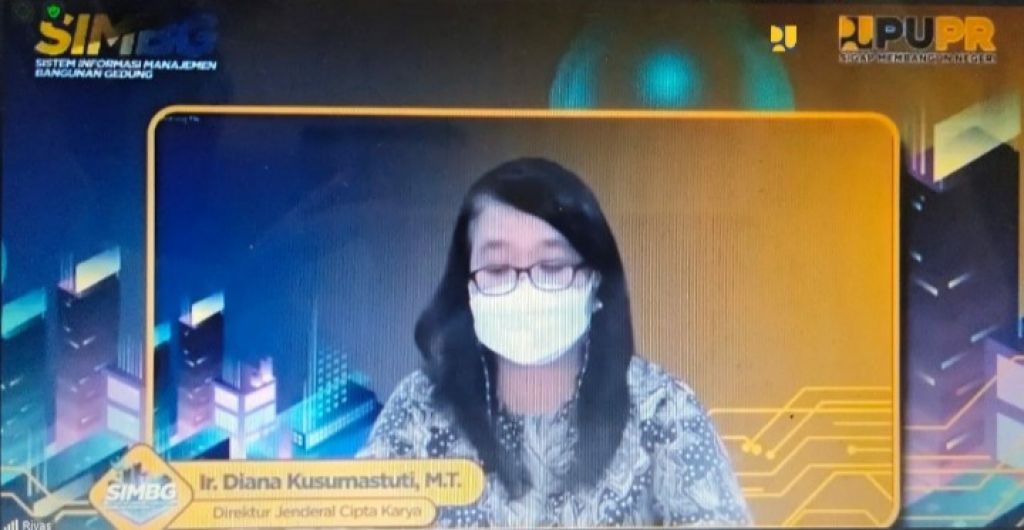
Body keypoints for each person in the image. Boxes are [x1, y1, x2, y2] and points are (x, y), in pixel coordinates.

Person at [358, 157, 751, 527]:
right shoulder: (419, 408)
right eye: (497, 268)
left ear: (595, 281)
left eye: (552, 266)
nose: (525, 289)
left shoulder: (662, 409)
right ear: (467, 288)